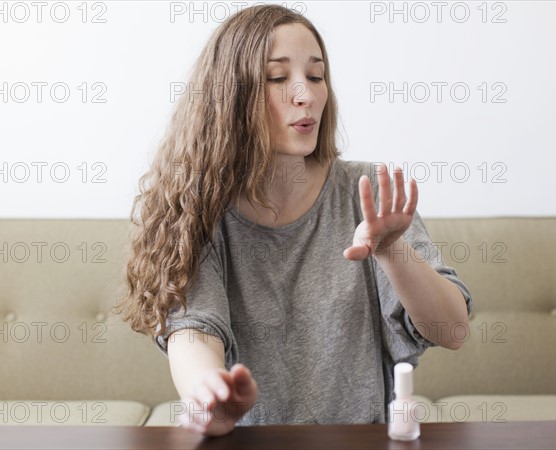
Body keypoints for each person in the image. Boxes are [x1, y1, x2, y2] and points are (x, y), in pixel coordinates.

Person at [116, 4, 472, 437]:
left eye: (316, 76)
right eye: (278, 78)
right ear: (232, 94)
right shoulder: (198, 207)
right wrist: (210, 397)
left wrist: (393, 251)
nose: (306, 95)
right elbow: (193, 333)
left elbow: (452, 330)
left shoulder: (369, 192)